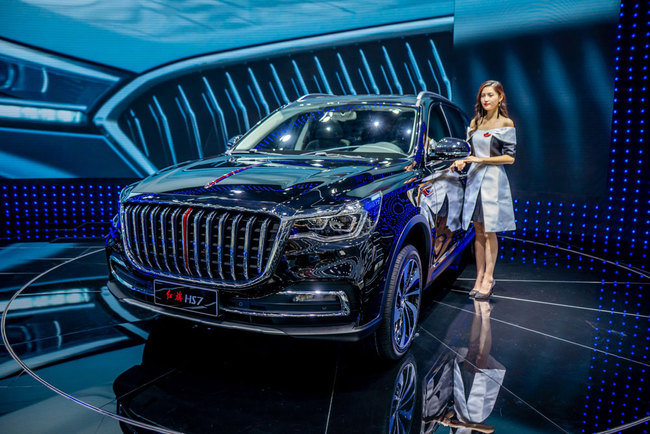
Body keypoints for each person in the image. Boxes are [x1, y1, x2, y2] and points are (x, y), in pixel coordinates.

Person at [451, 80, 516, 300]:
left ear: (500, 97)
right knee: (478, 231)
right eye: (482, 96)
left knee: (490, 232)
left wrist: (480, 159)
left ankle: (489, 277)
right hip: (474, 180)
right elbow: (467, 151)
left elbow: (510, 157)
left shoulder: (506, 123)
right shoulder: (475, 122)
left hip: (493, 182)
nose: (486, 99)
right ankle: (479, 277)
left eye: (490, 95)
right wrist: (461, 161)